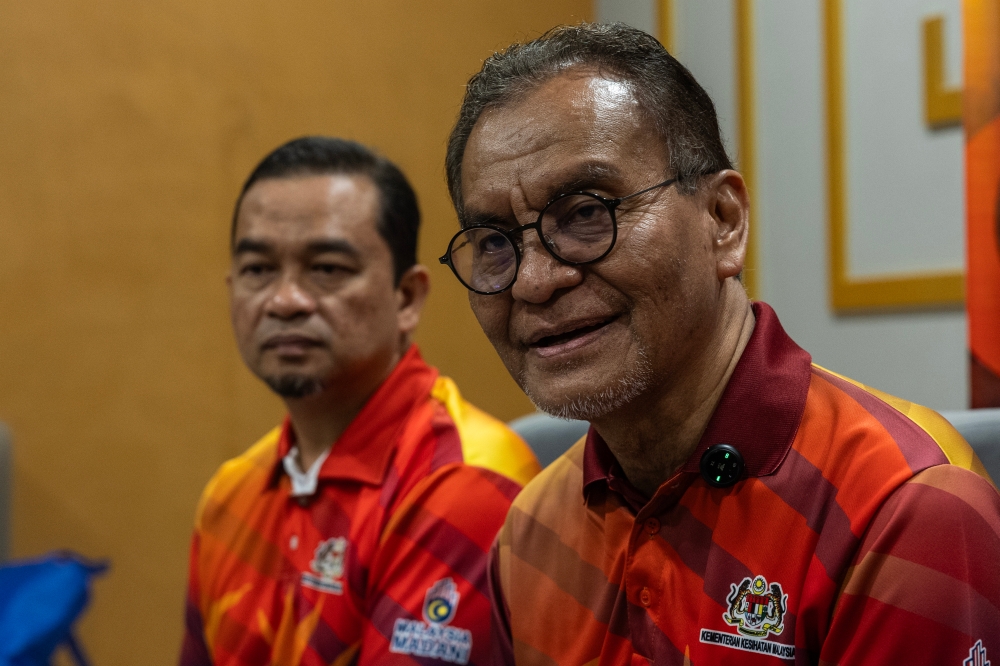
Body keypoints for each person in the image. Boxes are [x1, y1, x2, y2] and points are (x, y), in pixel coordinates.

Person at [438, 23, 1000, 665]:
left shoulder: (903, 509)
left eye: (587, 212)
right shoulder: (532, 532)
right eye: (493, 243)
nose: (534, 281)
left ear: (723, 222)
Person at [181, 136, 540, 666]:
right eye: (258, 270)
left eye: (326, 268)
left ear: (407, 297)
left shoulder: (465, 482)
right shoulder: (229, 496)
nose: (285, 301)